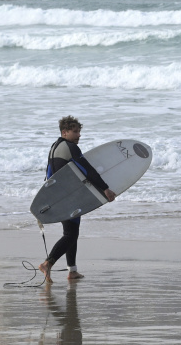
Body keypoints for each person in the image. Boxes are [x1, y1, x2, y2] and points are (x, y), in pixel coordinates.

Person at [38, 116, 116, 283]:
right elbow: (87, 169)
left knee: (71, 233)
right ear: (64, 132)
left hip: (60, 196)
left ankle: (72, 271)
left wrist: (49, 198)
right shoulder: (70, 147)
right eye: (75, 131)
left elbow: (49, 174)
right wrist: (105, 188)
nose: (79, 135)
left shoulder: (55, 146)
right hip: (68, 197)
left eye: (79, 131)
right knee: (71, 234)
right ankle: (48, 263)